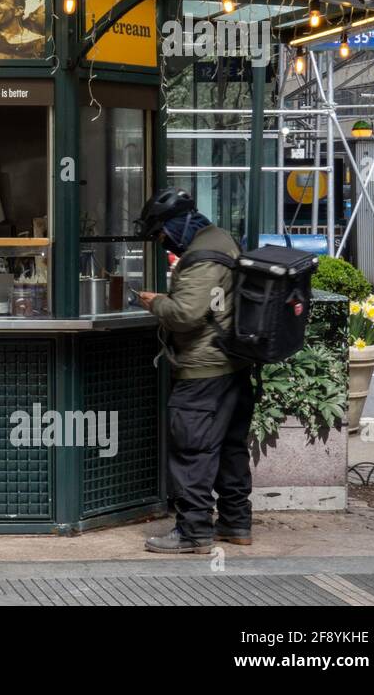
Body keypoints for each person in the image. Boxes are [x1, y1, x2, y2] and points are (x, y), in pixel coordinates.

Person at [135, 187, 255, 554]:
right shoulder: (222, 239)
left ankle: (193, 532)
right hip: (233, 365)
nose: (162, 242)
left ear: (175, 223)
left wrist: (156, 303)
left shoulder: (202, 256)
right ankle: (236, 523)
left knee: (193, 451)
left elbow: (186, 314)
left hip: (204, 370)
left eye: (160, 234)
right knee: (231, 449)